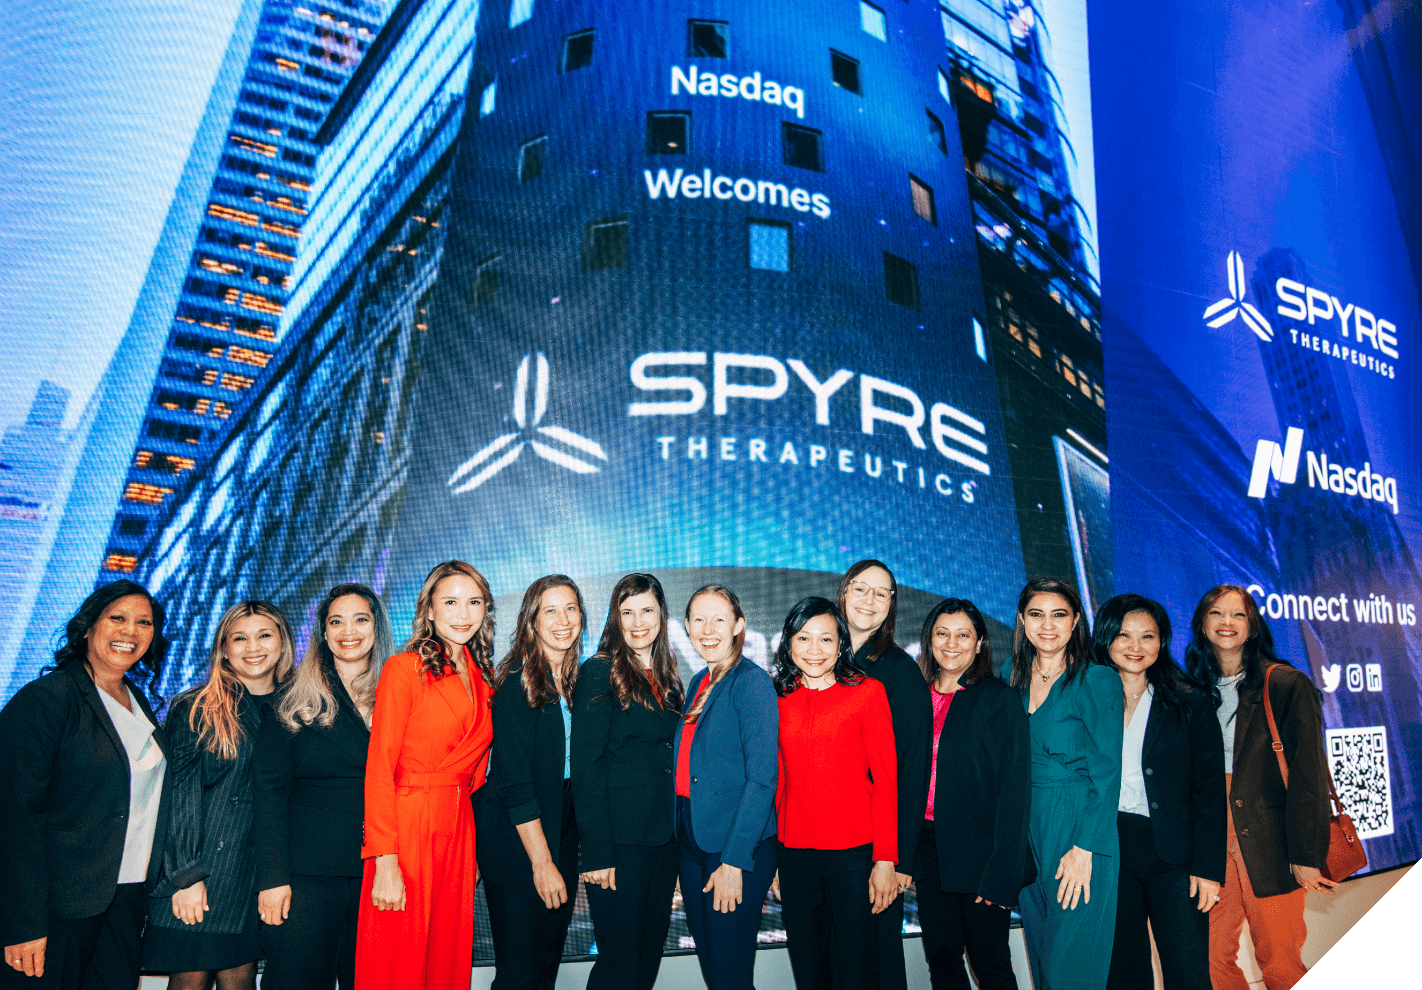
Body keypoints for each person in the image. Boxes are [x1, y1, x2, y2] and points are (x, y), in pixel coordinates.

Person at [0, 581, 171, 988]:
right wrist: (21, 923)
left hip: (126, 897)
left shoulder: (138, 700)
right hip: (57, 907)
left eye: (144, 623)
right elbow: (14, 817)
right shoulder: (46, 699)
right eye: (117, 618)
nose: (130, 632)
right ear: (88, 627)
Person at [355, 560, 496, 989]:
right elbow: (379, 766)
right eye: (450, 602)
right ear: (429, 610)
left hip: (459, 829)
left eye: (474, 602)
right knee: (398, 956)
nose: (462, 613)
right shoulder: (404, 669)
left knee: (446, 955)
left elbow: (476, 772)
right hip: (408, 827)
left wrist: (466, 843)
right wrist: (384, 858)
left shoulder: (484, 677)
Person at [1184, 585, 1331, 990]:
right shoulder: (1190, 691)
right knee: (1209, 959)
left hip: (1271, 841)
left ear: (1253, 625)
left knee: (1280, 963)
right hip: (1211, 839)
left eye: (1238, 615)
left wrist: (1305, 853)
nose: (1226, 623)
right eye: (1216, 613)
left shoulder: (1283, 683)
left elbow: (1308, 777)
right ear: (1201, 623)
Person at [145, 601, 296, 989]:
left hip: (260, 880)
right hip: (203, 878)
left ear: (283, 642)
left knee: (240, 982)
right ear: (224, 649)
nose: (253, 647)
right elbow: (178, 796)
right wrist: (186, 877)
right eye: (239, 638)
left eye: (264, 635)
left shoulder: (298, 707)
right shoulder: (196, 707)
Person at [253, 584, 393, 989]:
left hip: (378, 872)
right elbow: (268, 796)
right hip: (305, 878)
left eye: (360, 619)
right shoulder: (291, 699)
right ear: (323, 632)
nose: (348, 630)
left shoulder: (399, 694)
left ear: (376, 627)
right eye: (336, 621)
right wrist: (273, 879)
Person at [1095, 595, 1225, 990]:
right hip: (1110, 848)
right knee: (1124, 972)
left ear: (1162, 641)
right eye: (1124, 636)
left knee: (1187, 970)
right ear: (1105, 638)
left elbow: (1209, 791)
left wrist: (1208, 868)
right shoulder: (1086, 696)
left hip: (1174, 854)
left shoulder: (1189, 699)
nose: (1136, 647)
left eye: (1147, 636)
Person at [773, 596, 898, 990]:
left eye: (825, 640)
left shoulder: (867, 692)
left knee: (857, 966)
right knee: (810, 967)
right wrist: (774, 857)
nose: (814, 650)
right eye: (804, 638)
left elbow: (887, 780)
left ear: (841, 645)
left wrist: (885, 859)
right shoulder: (777, 697)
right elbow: (776, 781)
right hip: (794, 853)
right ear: (788, 644)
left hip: (854, 853)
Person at [572, 573, 684, 990]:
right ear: (615, 619)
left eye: (648, 611)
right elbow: (587, 769)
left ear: (661, 615)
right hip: (618, 847)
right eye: (627, 612)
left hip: (663, 843)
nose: (638, 622)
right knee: (619, 968)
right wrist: (598, 855)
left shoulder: (668, 675)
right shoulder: (599, 672)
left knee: (644, 964)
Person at [476, 576, 587, 990]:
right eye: (550, 611)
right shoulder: (517, 683)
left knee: (544, 970)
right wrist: (542, 864)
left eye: (571, 609)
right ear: (531, 621)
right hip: (517, 844)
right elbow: (516, 783)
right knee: (519, 975)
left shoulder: (576, 682)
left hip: (559, 832)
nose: (563, 620)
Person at [1011, 577, 1122, 990]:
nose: (1048, 625)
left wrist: (1084, 847)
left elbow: (1107, 773)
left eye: (1059, 615)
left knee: (1070, 971)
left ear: (1076, 621)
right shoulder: (1010, 676)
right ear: (1022, 620)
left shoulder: (1098, 680)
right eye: (1036, 614)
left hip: (1079, 829)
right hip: (1026, 831)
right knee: (1043, 966)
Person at [914, 598, 1031, 990]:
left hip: (981, 856)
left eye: (963, 635)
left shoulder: (998, 699)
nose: (952, 643)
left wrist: (1002, 874)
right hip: (929, 853)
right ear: (929, 641)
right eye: (942, 634)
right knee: (943, 963)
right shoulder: (915, 698)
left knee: (990, 965)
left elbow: (1014, 793)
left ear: (980, 642)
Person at [674, 585, 778, 990]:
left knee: (730, 976)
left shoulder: (752, 683)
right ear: (686, 626)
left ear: (739, 625)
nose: (708, 629)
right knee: (716, 974)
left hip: (732, 850)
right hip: (693, 844)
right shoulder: (700, 679)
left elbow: (762, 779)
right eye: (698, 619)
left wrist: (734, 862)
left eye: (719, 618)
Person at [835, 561, 932, 990]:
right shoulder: (813, 657)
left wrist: (897, 859)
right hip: (819, 841)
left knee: (878, 963)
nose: (869, 600)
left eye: (881, 593)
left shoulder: (900, 671)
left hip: (877, 846)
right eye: (861, 588)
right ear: (843, 591)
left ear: (892, 603)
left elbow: (913, 771)